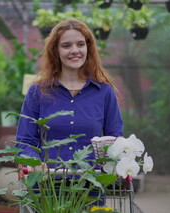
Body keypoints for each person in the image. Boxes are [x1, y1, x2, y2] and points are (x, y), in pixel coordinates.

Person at [16, 18, 123, 164]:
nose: (75, 51)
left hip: (90, 183)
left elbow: (115, 139)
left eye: (80, 44)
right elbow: (25, 141)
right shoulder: (37, 92)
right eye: (66, 46)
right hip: (47, 184)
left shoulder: (104, 92)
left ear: (88, 47)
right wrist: (33, 163)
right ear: (56, 51)